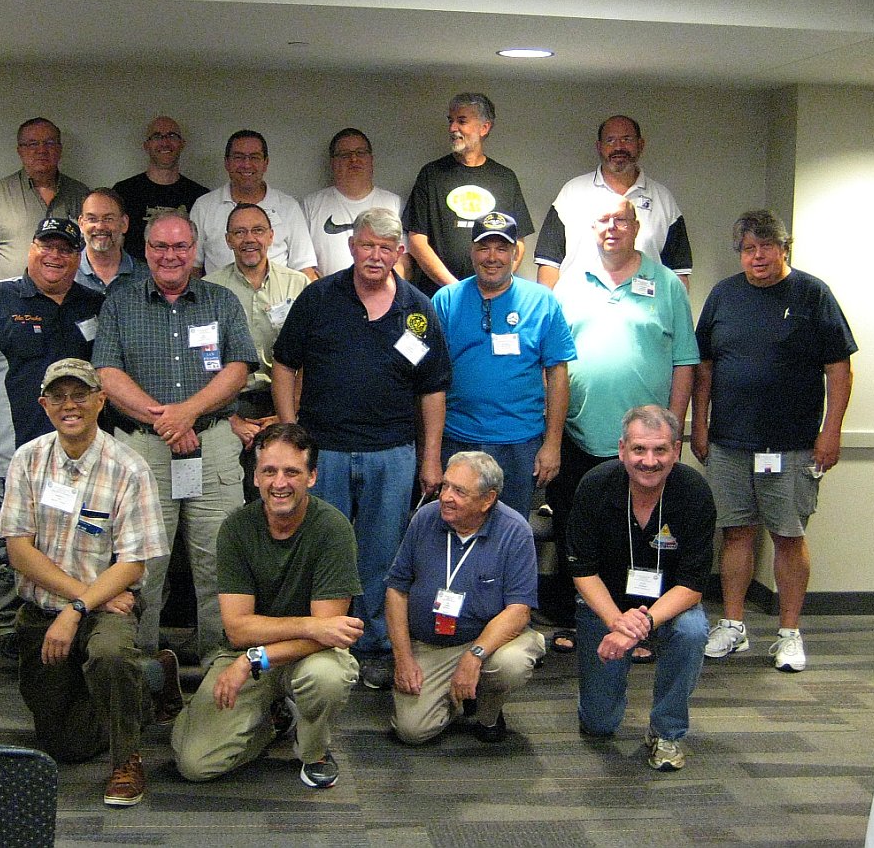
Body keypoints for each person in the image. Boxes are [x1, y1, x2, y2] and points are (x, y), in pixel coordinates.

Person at [272, 206, 452, 690]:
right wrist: (289, 434)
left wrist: (431, 457)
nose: (375, 255)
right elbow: (284, 364)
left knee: (381, 554)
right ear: (352, 247)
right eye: (367, 245)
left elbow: (433, 388)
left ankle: (373, 645)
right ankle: (319, 641)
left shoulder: (418, 310)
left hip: (392, 452)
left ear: (399, 253)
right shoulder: (318, 298)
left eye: (385, 248)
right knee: (321, 548)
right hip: (324, 450)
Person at [0, 359, 169, 806]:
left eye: (80, 395)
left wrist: (78, 611)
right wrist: (81, 599)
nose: (69, 405)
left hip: (107, 612)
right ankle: (149, 679)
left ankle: (127, 759)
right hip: (50, 610)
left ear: (101, 401)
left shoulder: (129, 468)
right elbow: (19, 551)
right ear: (44, 404)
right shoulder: (27, 459)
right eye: (58, 397)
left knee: (109, 654)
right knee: (66, 745)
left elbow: (133, 564)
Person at [692, 210, 857, 672]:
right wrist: (699, 425)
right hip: (729, 443)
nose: (758, 256)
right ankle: (733, 625)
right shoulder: (723, 295)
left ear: (784, 248)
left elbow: (839, 369)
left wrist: (831, 431)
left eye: (767, 246)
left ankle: (789, 633)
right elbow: (704, 367)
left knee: (788, 536)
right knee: (735, 533)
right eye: (749, 248)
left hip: (793, 445)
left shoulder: (813, 294)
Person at [92, 210, 258, 663]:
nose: (171, 255)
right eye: (161, 246)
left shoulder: (222, 301)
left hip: (213, 445)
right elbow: (106, 374)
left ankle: (220, 665)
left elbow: (238, 369)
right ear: (146, 251)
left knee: (220, 561)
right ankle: (139, 666)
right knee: (142, 563)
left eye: (180, 246)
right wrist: (168, 422)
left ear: (194, 250)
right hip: (143, 449)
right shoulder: (120, 303)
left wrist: (189, 413)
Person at [543, 195, 698, 658]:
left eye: (622, 220)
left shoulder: (666, 284)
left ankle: (640, 626)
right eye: (603, 221)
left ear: (636, 227)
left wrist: (673, 432)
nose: (612, 227)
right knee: (577, 532)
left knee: (643, 539)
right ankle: (579, 620)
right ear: (591, 230)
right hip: (578, 435)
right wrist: (552, 435)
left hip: (645, 445)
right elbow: (552, 364)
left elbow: (685, 362)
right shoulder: (569, 284)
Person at [171, 424, 362, 788]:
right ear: (255, 477)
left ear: (312, 477)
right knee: (195, 763)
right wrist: (310, 625)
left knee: (328, 677)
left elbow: (329, 635)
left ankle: (314, 751)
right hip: (249, 649)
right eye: (269, 471)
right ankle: (274, 721)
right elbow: (237, 629)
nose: (280, 483)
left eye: (292, 472)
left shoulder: (333, 529)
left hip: (307, 655)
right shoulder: (236, 528)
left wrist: (252, 659)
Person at [0, 217, 104, 644]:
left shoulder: (96, 304)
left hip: (76, 468)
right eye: (46, 246)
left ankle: (52, 651)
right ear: (31, 248)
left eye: (65, 249)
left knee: (65, 560)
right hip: (5, 463)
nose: (54, 256)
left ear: (79, 257)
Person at [568, 406, 714, 771]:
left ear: (675, 451)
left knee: (693, 630)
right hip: (606, 606)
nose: (649, 461)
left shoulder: (694, 492)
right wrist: (618, 622)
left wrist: (642, 625)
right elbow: (583, 571)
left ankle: (667, 732)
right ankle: (601, 705)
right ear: (622, 450)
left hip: (668, 606)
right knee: (599, 724)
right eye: (639, 449)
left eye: (660, 449)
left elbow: (692, 586)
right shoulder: (595, 486)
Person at [385, 451, 546, 745]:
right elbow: (396, 590)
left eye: (459, 491)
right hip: (430, 643)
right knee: (412, 731)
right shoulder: (425, 518)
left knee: (511, 664)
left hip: (489, 643)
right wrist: (403, 658)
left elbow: (519, 610)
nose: (446, 497)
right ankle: (458, 698)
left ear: (488, 500)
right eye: (445, 486)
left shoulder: (514, 531)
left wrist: (474, 656)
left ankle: (488, 714)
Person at [431, 211, 575, 520]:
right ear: (472, 252)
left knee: (511, 530)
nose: (492, 257)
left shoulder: (542, 301)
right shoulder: (446, 301)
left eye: (501, 248)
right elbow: (429, 380)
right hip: (457, 439)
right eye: (483, 247)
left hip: (519, 444)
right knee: (456, 525)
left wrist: (553, 444)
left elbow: (558, 375)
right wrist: (429, 452)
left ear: (515, 253)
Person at [205, 203, 310, 500]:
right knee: (229, 498)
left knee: (281, 496)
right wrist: (229, 419)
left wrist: (287, 414)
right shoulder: (209, 289)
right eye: (239, 232)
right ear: (228, 240)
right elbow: (200, 361)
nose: (249, 239)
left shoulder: (299, 285)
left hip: (284, 406)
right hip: (226, 409)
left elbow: (312, 357)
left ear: (271, 236)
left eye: (258, 230)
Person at [535, 115, 693, 289]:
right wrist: (550, 306)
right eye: (610, 140)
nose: (618, 147)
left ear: (640, 145)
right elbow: (549, 264)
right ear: (599, 147)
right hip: (576, 304)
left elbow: (679, 274)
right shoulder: (571, 193)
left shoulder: (663, 200)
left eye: (627, 139)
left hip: (644, 304)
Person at [403, 92, 532, 296]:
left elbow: (518, 243)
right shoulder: (431, 174)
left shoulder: (505, 178)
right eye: (451, 121)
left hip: (492, 297)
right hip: (439, 296)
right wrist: (455, 290)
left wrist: (496, 285)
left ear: (484, 128)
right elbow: (417, 240)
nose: (452, 128)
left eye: (461, 121)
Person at [190, 129, 317, 278]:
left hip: (277, 293)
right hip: (218, 293)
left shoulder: (288, 207)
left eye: (254, 157)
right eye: (239, 157)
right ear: (227, 163)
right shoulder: (204, 207)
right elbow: (192, 268)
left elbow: (304, 270)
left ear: (265, 163)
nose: (246, 164)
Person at [0, 117, 90, 280]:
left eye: (49, 143)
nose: (41, 150)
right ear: (20, 150)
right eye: (32, 144)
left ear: (59, 149)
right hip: (11, 294)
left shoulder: (81, 195)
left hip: (68, 293)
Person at [301, 128, 402, 276]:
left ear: (371, 159)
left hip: (382, 290)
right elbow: (304, 265)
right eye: (345, 155)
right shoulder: (311, 205)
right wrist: (324, 291)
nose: (354, 159)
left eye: (360, 153)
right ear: (333, 162)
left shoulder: (394, 203)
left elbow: (403, 261)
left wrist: (383, 289)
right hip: (327, 290)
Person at [112, 115, 209, 262]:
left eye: (172, 136)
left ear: (182, 144)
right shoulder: (123, 192)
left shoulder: (200, 197)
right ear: (146, 145)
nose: (165, 142)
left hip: (182, 275)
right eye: (157, 136)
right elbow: (113, 247)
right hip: (133, 275)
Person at [75, 188, 136, 293]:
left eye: (108, 219)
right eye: (92, 219)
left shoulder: (147, 277)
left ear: (124, 223)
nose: (100, 226)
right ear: (81, 224)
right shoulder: (65, 273)